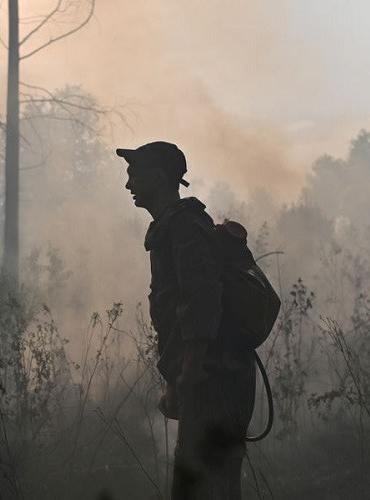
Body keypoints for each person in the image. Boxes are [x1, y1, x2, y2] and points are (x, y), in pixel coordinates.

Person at [117, 141, 256, 500]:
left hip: (213, 379)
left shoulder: (185, 229)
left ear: (160, 177)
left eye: (135, 174)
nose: (129, 184)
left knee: (205, 487)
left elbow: (201, 302)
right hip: (210, 377)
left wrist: (187, 377)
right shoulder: (174, 227)